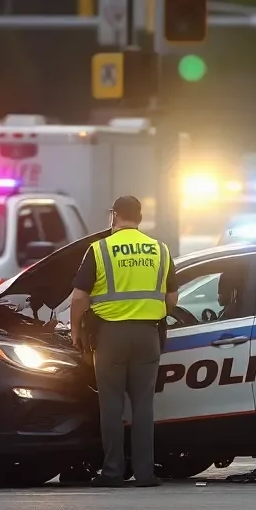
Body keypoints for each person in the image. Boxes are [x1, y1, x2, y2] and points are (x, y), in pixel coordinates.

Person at [69, 196, 178, 487]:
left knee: (111, 405)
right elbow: (171, 299)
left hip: (110, 337)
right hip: (148, 336)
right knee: (144, 406)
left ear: (114, 215)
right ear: (140, 217)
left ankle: (113, 471)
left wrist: (75, 331)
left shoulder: (99, 249)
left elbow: (79, 298)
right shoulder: (161, 250)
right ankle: (145, 473)